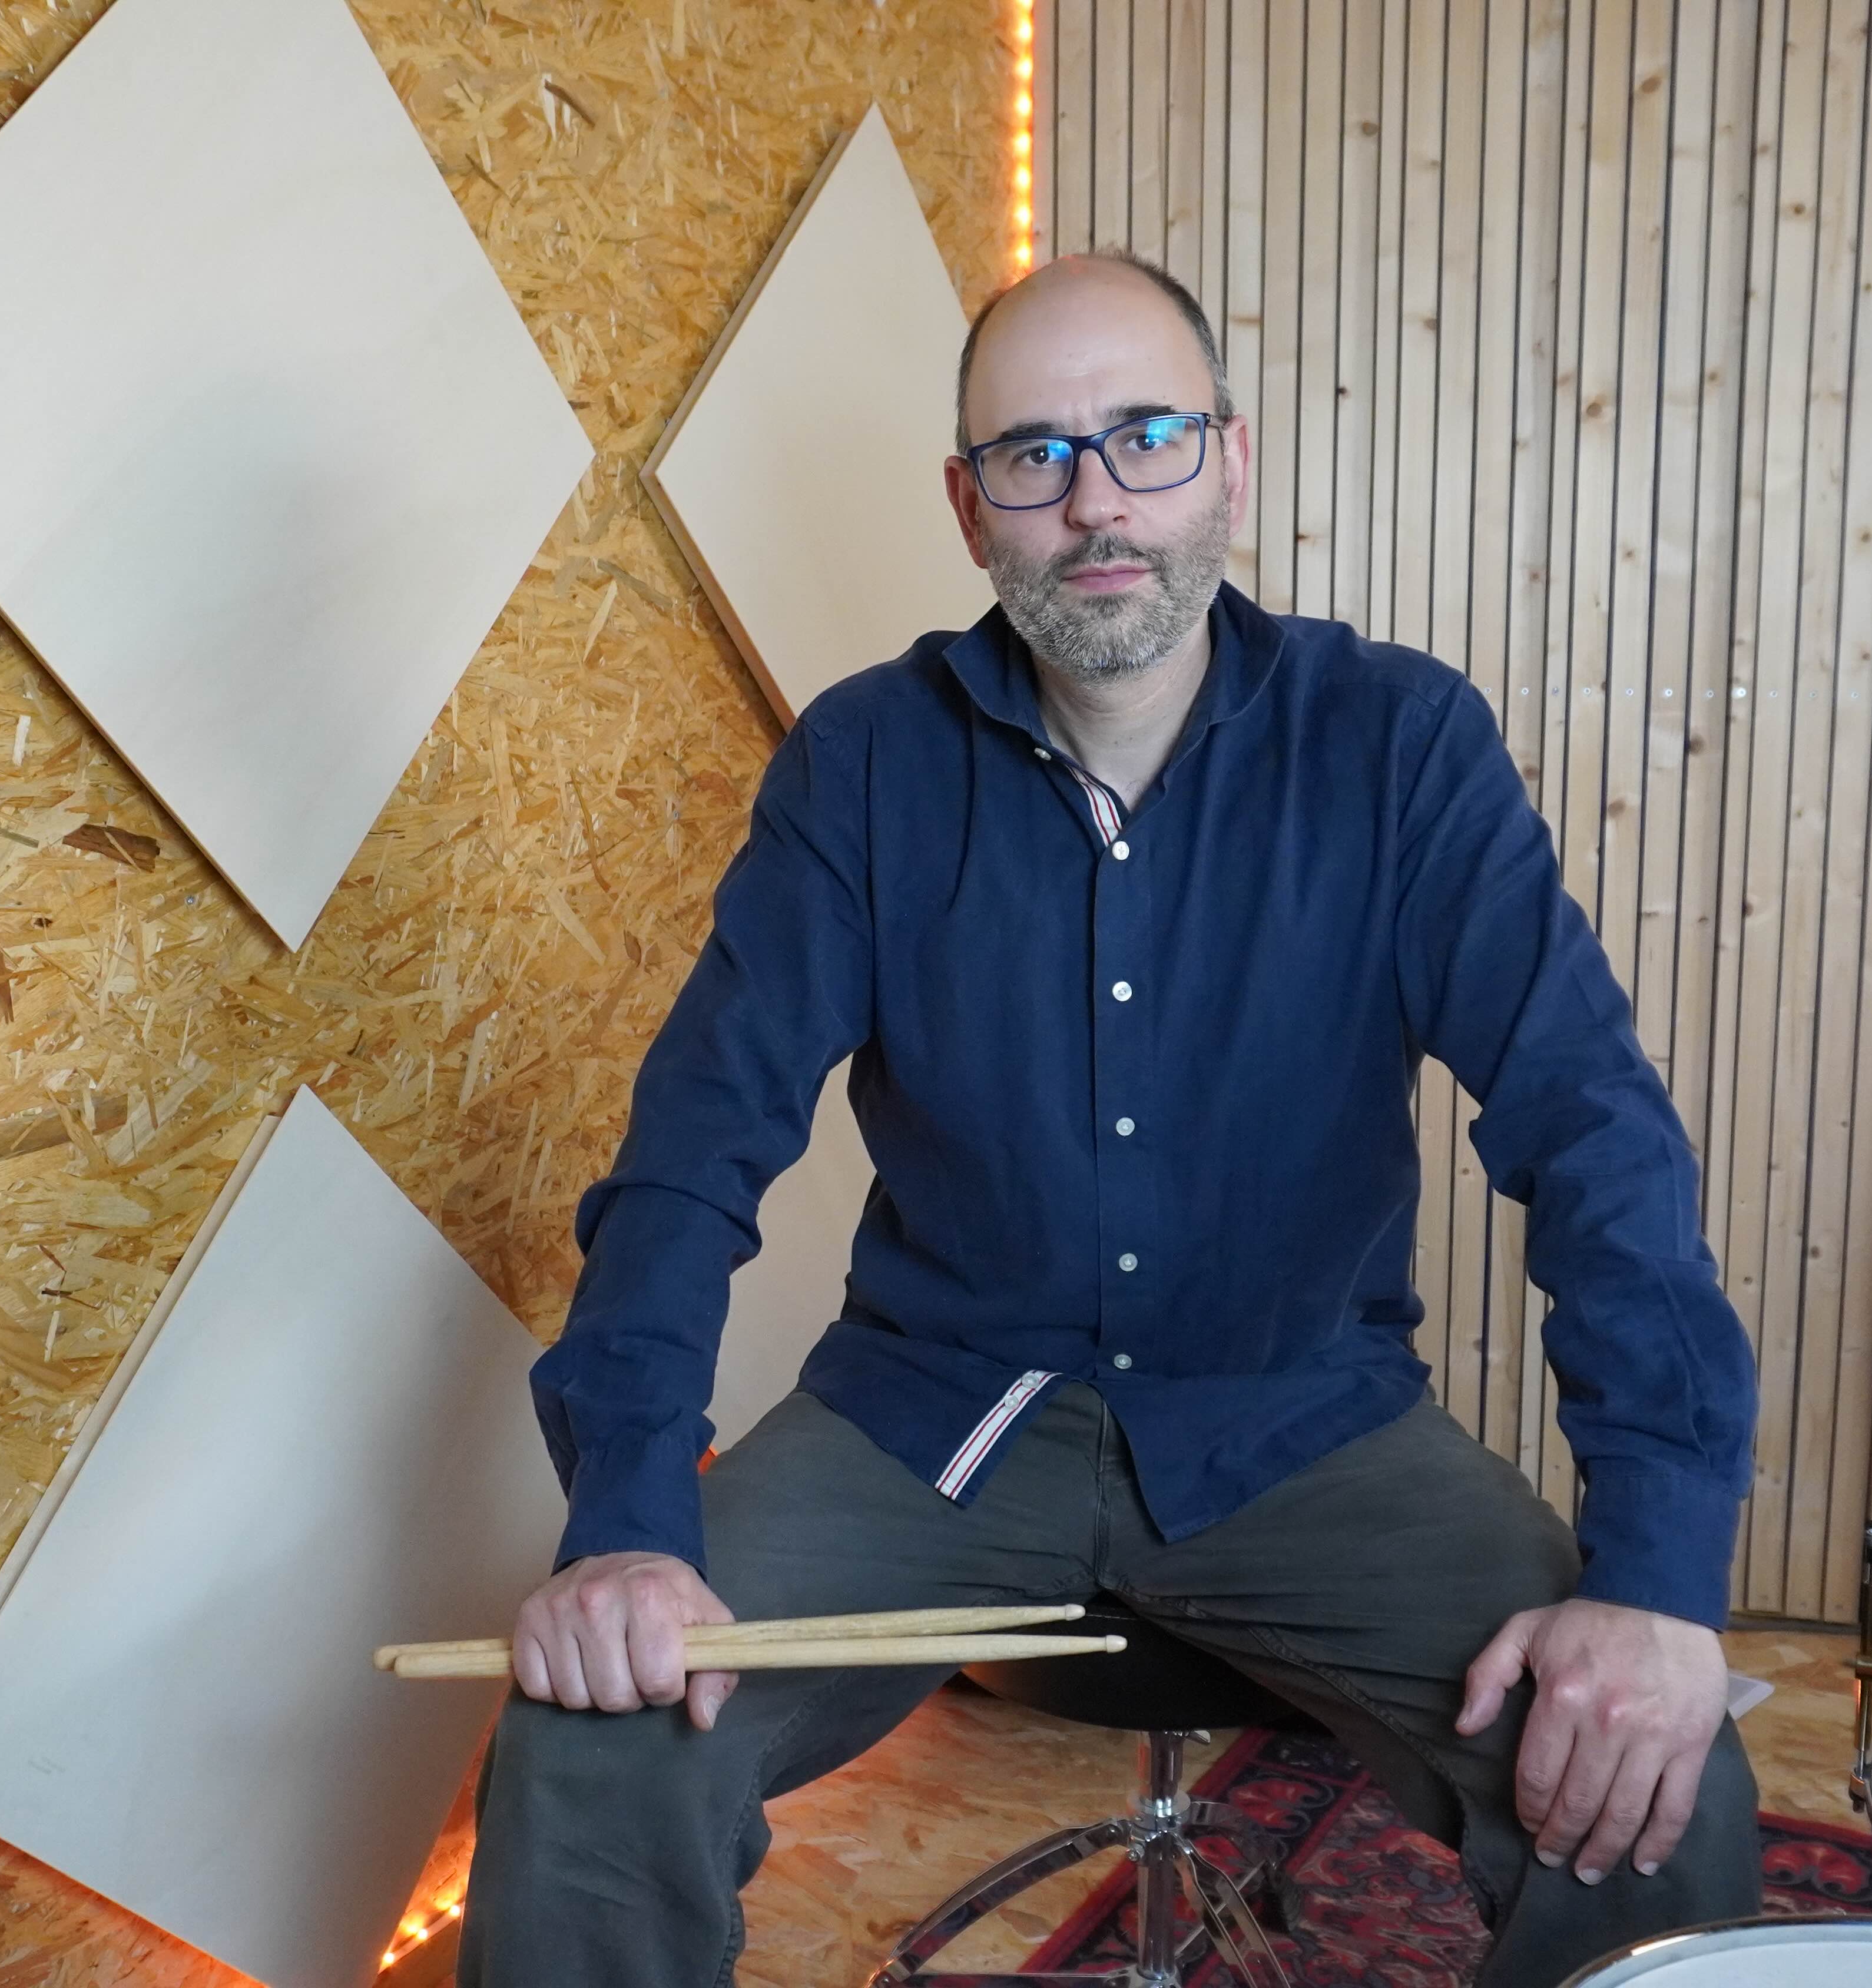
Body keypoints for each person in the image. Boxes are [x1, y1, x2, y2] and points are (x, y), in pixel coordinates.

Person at [459, 251, 1760, 1985]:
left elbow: (1595, 1134)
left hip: (1302, 1422)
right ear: (969, 506)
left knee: (1657, 1785)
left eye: (1148, 437)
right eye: (1035, 455)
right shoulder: (864, 762)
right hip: (932, 1417)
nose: (1096, 504)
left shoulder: (1400, 744)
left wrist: (1656, 1575)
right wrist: (627, 1518)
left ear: (1232, 461)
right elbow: (692, 1156)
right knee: (593, 1743)